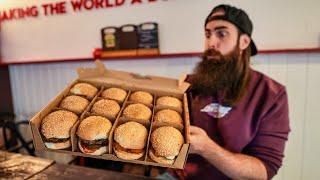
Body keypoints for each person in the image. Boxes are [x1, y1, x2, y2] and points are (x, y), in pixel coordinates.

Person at [178, 4, 290, 180]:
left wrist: (206, 148)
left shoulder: (271, 95)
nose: (211, 43)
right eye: (208, 34)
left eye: (221, 33)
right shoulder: (188, 84)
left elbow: (264, 170)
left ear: (244, 42)